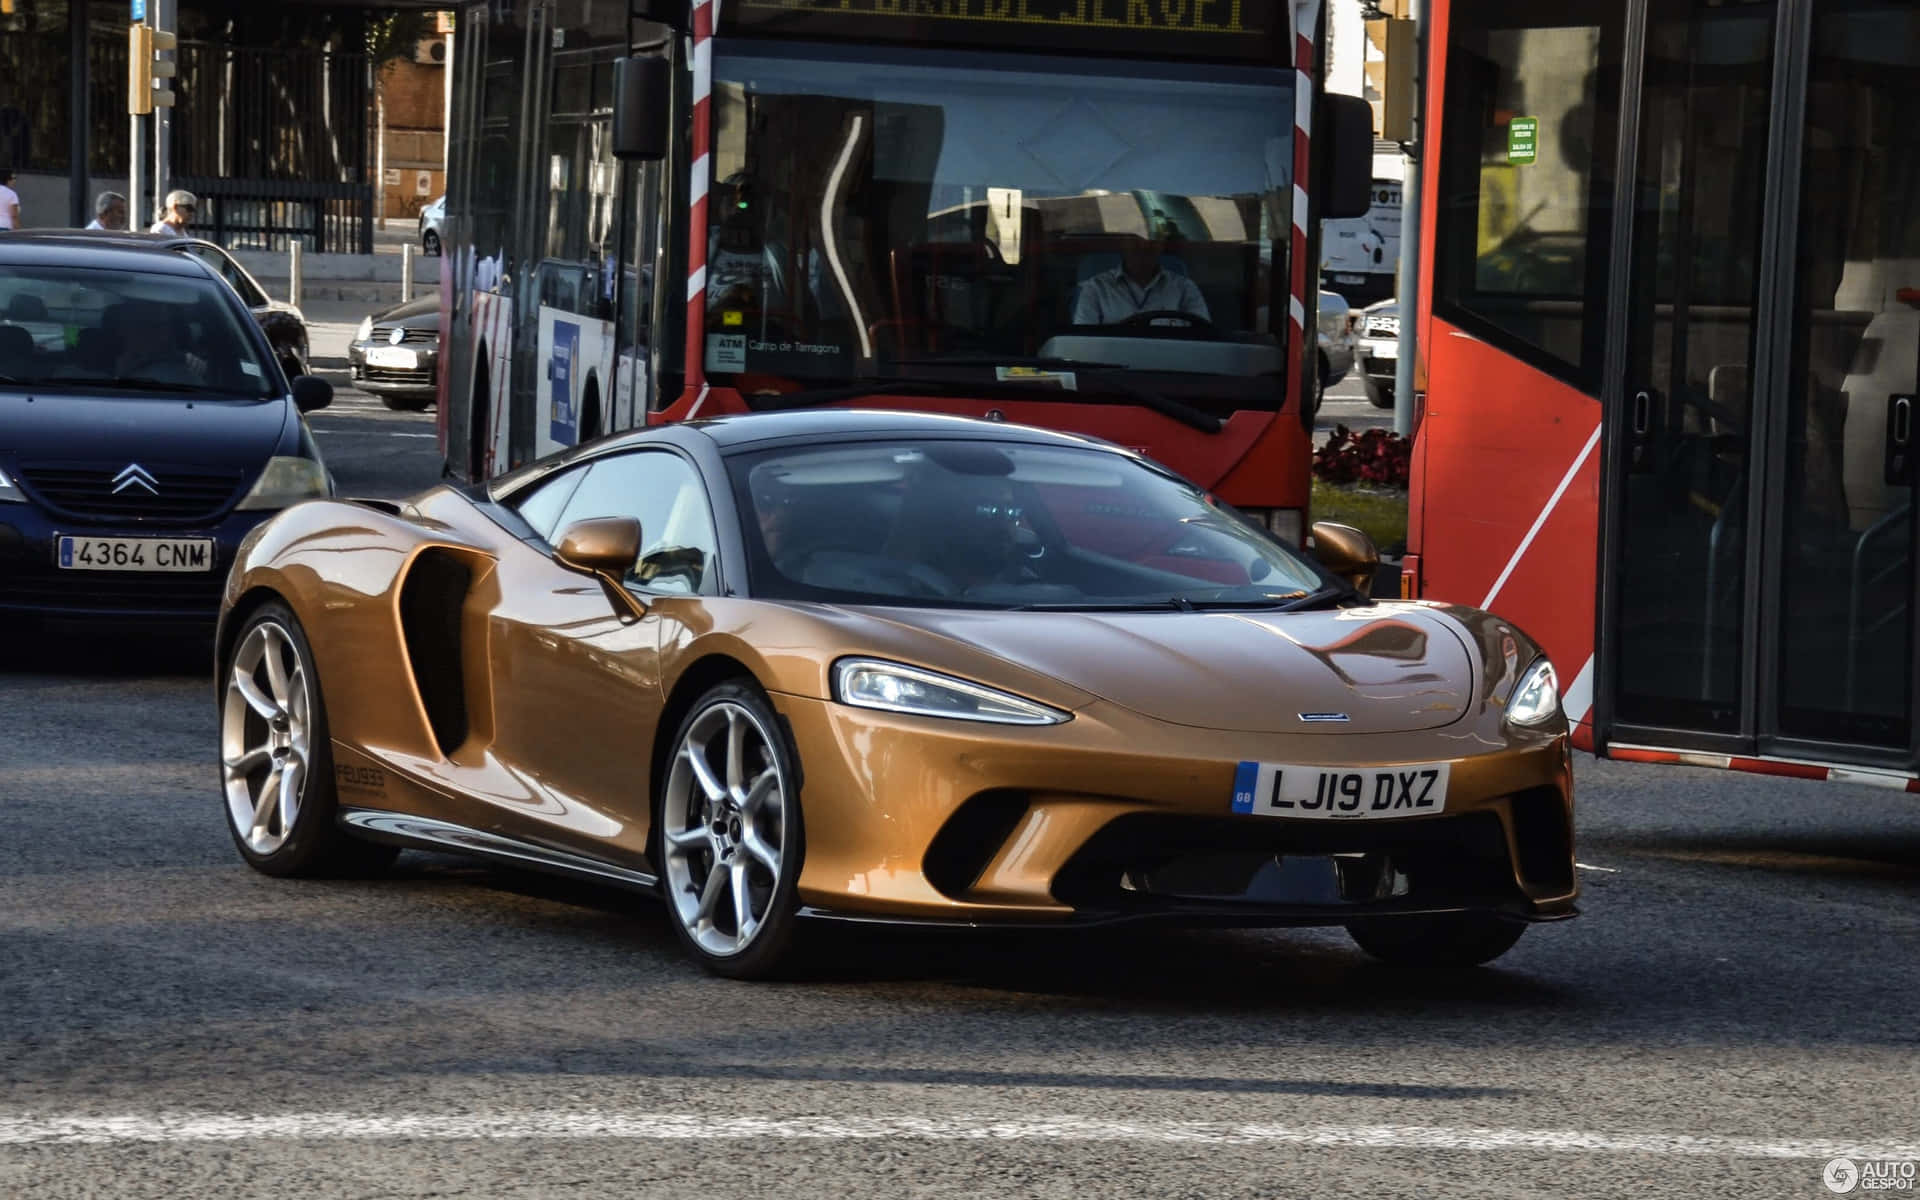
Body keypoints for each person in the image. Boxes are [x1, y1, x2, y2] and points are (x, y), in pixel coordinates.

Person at [1071, 233, 1210, 326]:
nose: (1144, 245)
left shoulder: (1185, 288)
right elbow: (1083, 341)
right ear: (1123, 243)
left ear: (1161, 245)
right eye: (1135, 240)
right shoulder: (1095, 288)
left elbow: (1203, 337)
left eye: (1151, 240)